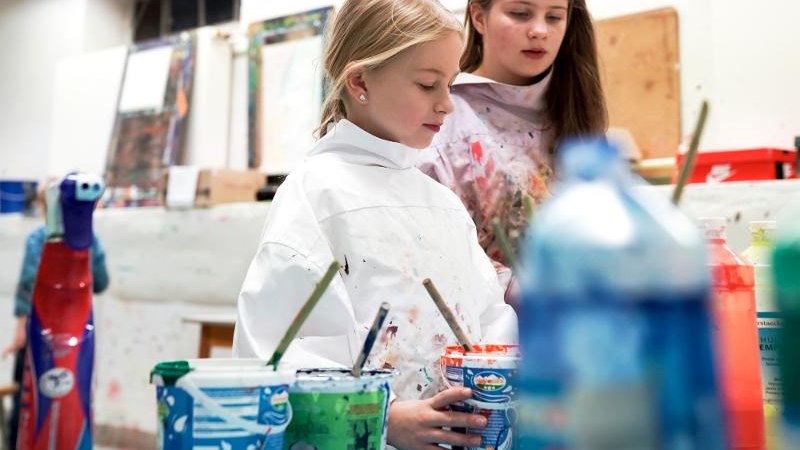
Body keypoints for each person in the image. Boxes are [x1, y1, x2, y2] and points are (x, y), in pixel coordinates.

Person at [232, 0, 517, 448]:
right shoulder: (316, 194)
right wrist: (381, 420)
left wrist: (494, 384)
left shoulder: (441, 203)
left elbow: (489, 318)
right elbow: (273, 356)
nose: (446, 105)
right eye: (428, 85)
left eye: (451, 85)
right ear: (360, 81)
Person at [417, 0, 608, 304]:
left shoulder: (576, 113)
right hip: (485, 336)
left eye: (555, 17)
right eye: (520, 13)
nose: (539, 30)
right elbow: (426, 257)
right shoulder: (442, 118)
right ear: (479, 17)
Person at [2, 188, 109, 450]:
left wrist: (21, 328)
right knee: (70, 394)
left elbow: (28, 285)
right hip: (76, 327)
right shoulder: (89, 240)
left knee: (30, 397)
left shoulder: (38, 239)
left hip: (39, 330)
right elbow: (101, 281)